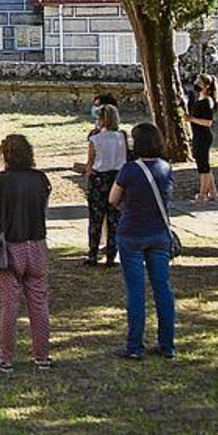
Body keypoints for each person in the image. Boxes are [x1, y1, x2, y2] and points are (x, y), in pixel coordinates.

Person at [109, 122, 177, 359]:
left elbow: (113, 199)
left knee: (136, 292)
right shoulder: (166, 168)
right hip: (159, 232)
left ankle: (135, 346)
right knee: (163, 289)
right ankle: (167, 344)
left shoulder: (129, 170)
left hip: (131, 233)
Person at [0, 134, 52, 372]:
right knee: (38, 302)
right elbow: (44, 210)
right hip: (36, 243)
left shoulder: (1, 181)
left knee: (9, 305)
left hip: (11, 245)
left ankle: (5, 358)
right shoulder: (41, 180)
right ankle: (42, 356)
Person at [84, 103, 128, 266]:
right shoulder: (121, 137)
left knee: (96, 218)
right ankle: (111, 254)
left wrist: (88, 171)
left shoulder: (95, 139)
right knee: (114, 218)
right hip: (117, 177)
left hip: (99, 178)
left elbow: (90, 163)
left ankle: (93, 253)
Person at [187, 74, 218, 204]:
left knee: (203, 167)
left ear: (206, 86)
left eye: (199, 82)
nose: (196, 83)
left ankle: (202, 195)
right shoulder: (200, 98)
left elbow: (208, 122)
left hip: (203, 135)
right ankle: (214, 193)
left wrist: (192, 119)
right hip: (198, 135)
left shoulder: (207, 101)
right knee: (203, 164)